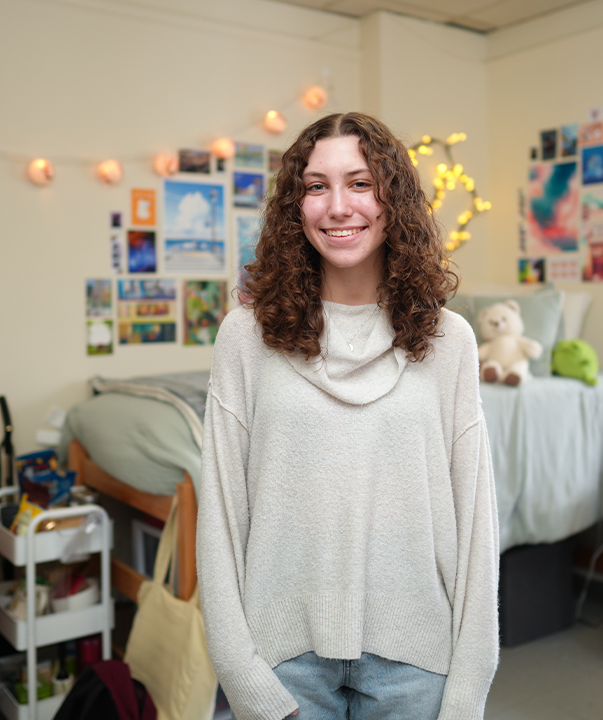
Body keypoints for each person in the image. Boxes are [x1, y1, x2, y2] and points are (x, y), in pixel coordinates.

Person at [196, 112, 499, 720]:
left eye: (361, 183)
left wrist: (469, 686)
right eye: (316, 186)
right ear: (296, 206)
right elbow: (221, 517)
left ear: (395, 199)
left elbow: (476, 524)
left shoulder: (451, 342)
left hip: (417, 664)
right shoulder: (245, 337)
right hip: (280, 662)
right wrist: (239, 673)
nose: (338, 206)